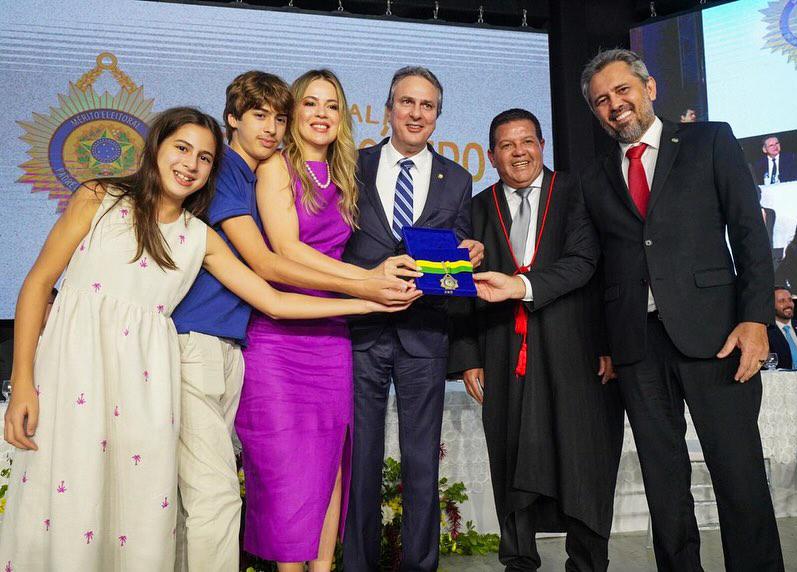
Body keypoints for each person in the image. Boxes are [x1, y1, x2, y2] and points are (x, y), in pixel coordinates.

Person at [0, 107, 405, 571]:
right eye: (182, 149)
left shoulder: (200, 237)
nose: (191, 164)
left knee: (137, 498)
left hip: (149, 376)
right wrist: (24, 381)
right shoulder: (100, 197)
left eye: (205, 158)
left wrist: (369, 303)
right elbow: (36, 284)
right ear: (155, 147)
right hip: (76, 366)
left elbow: (275, 302)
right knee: (71, 488)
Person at [170, 72, 415, 572]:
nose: (321, 113)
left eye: (332, 104)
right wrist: (364, 286)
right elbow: (282, 252)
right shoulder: (275, 168)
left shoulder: (347, 173)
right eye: (309, 104)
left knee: (330, 466)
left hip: (331, 336)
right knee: (286, 474)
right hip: (278, 335)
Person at [564, 49, 781, 570]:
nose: (615, 105)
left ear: (650, 88)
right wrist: (605, 346)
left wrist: (756, 319)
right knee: (665, 486)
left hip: (718, 337)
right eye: (601, 101)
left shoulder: (711, 141)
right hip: (637, 348)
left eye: (622, 91)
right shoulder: (592, 177)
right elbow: (594, 269)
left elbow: (750, 233)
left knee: (739, 477)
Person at [449, 108, 624, 571]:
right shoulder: (476, 208)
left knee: (583, 452)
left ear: (542, 145)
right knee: (510, 450)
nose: (518, 152)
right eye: (506, 146)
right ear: (491, 156)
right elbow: (463, 285)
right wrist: (468, 356)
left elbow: (591, 263)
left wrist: (609, 343)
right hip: (503, 347)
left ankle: (586, 562)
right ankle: (519, 559)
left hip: (577, 345)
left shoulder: (576, 192)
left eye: (527, 141)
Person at [342, 66, 482, 572]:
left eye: (427, 106)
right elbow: (333, 243)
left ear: (438, 115)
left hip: (424, 333)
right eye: (407, 103)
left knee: (422, 462)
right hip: (360, 329)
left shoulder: (458, 177)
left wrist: (471, 253)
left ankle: (420, 566)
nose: (416, 113)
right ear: (389, 108)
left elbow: (458, 253)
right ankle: (358, 564)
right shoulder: (351, 165)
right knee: (362, 460)